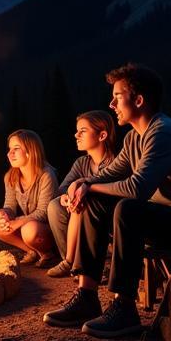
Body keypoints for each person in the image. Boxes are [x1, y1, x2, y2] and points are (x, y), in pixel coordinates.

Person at [43, 63, 171, 337]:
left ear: (138, 100)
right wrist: (84, 183)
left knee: (129, 209)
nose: (111, 103)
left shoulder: (162, 133)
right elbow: (109, 174)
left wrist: (90, 187)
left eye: (117, 96)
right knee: (97, 201)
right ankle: (87, 297)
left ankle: (124, 308)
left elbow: (137, 188)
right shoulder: (133, 139)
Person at [45, 110, 117, 278]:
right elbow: (62, 189)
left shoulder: (117, 161)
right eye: (77, 130)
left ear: (102, 135)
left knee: (83, 201)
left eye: (83, 131)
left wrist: (79, 195)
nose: (76, 135)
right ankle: (70, 263)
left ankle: (77, 263)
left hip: (108, 213)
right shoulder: (82, 163)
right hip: (83, 208)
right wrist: (65, 199)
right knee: (55, 205)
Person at [0, 129, 59, 267]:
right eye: (9, 149)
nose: (10, 153)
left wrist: (19, 222)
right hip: (29, 224)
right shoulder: (11, 177)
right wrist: (5, 214)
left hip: (48, 230)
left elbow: (44, 213)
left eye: (16, 148)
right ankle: (32, 252)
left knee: (29, 229)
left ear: (30, 151)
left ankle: (49, 253)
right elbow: (10, 206)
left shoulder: (46, 175)